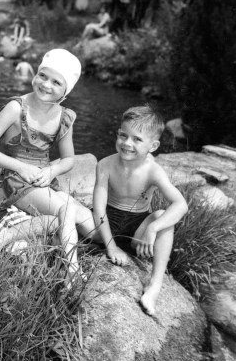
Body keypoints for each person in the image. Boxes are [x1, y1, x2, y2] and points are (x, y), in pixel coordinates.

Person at [0, 49, 96, 281]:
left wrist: (52, 169)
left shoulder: (64, 117)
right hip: (14, 179)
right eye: (42, 75)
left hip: (43, 178)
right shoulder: (16, 108)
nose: (46, 84)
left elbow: (69, 159)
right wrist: (21, 167)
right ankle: (71, 269)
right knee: (65, 212)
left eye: (56, 82)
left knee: (93, 229)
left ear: (66, 90)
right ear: (36, 72)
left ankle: (2, 239)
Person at [92, 105, 188, 316]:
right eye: (123, 135)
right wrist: (111, 247)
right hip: (106, 222)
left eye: (137, 139)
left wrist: (152, 228)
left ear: (153, 146)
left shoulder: (153, 171)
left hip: (137, 228)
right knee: (78, 218)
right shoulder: (105, 165)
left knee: (163, 217)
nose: (127, 143)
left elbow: (181, 204)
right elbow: (98, 208)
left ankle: (154, 285)